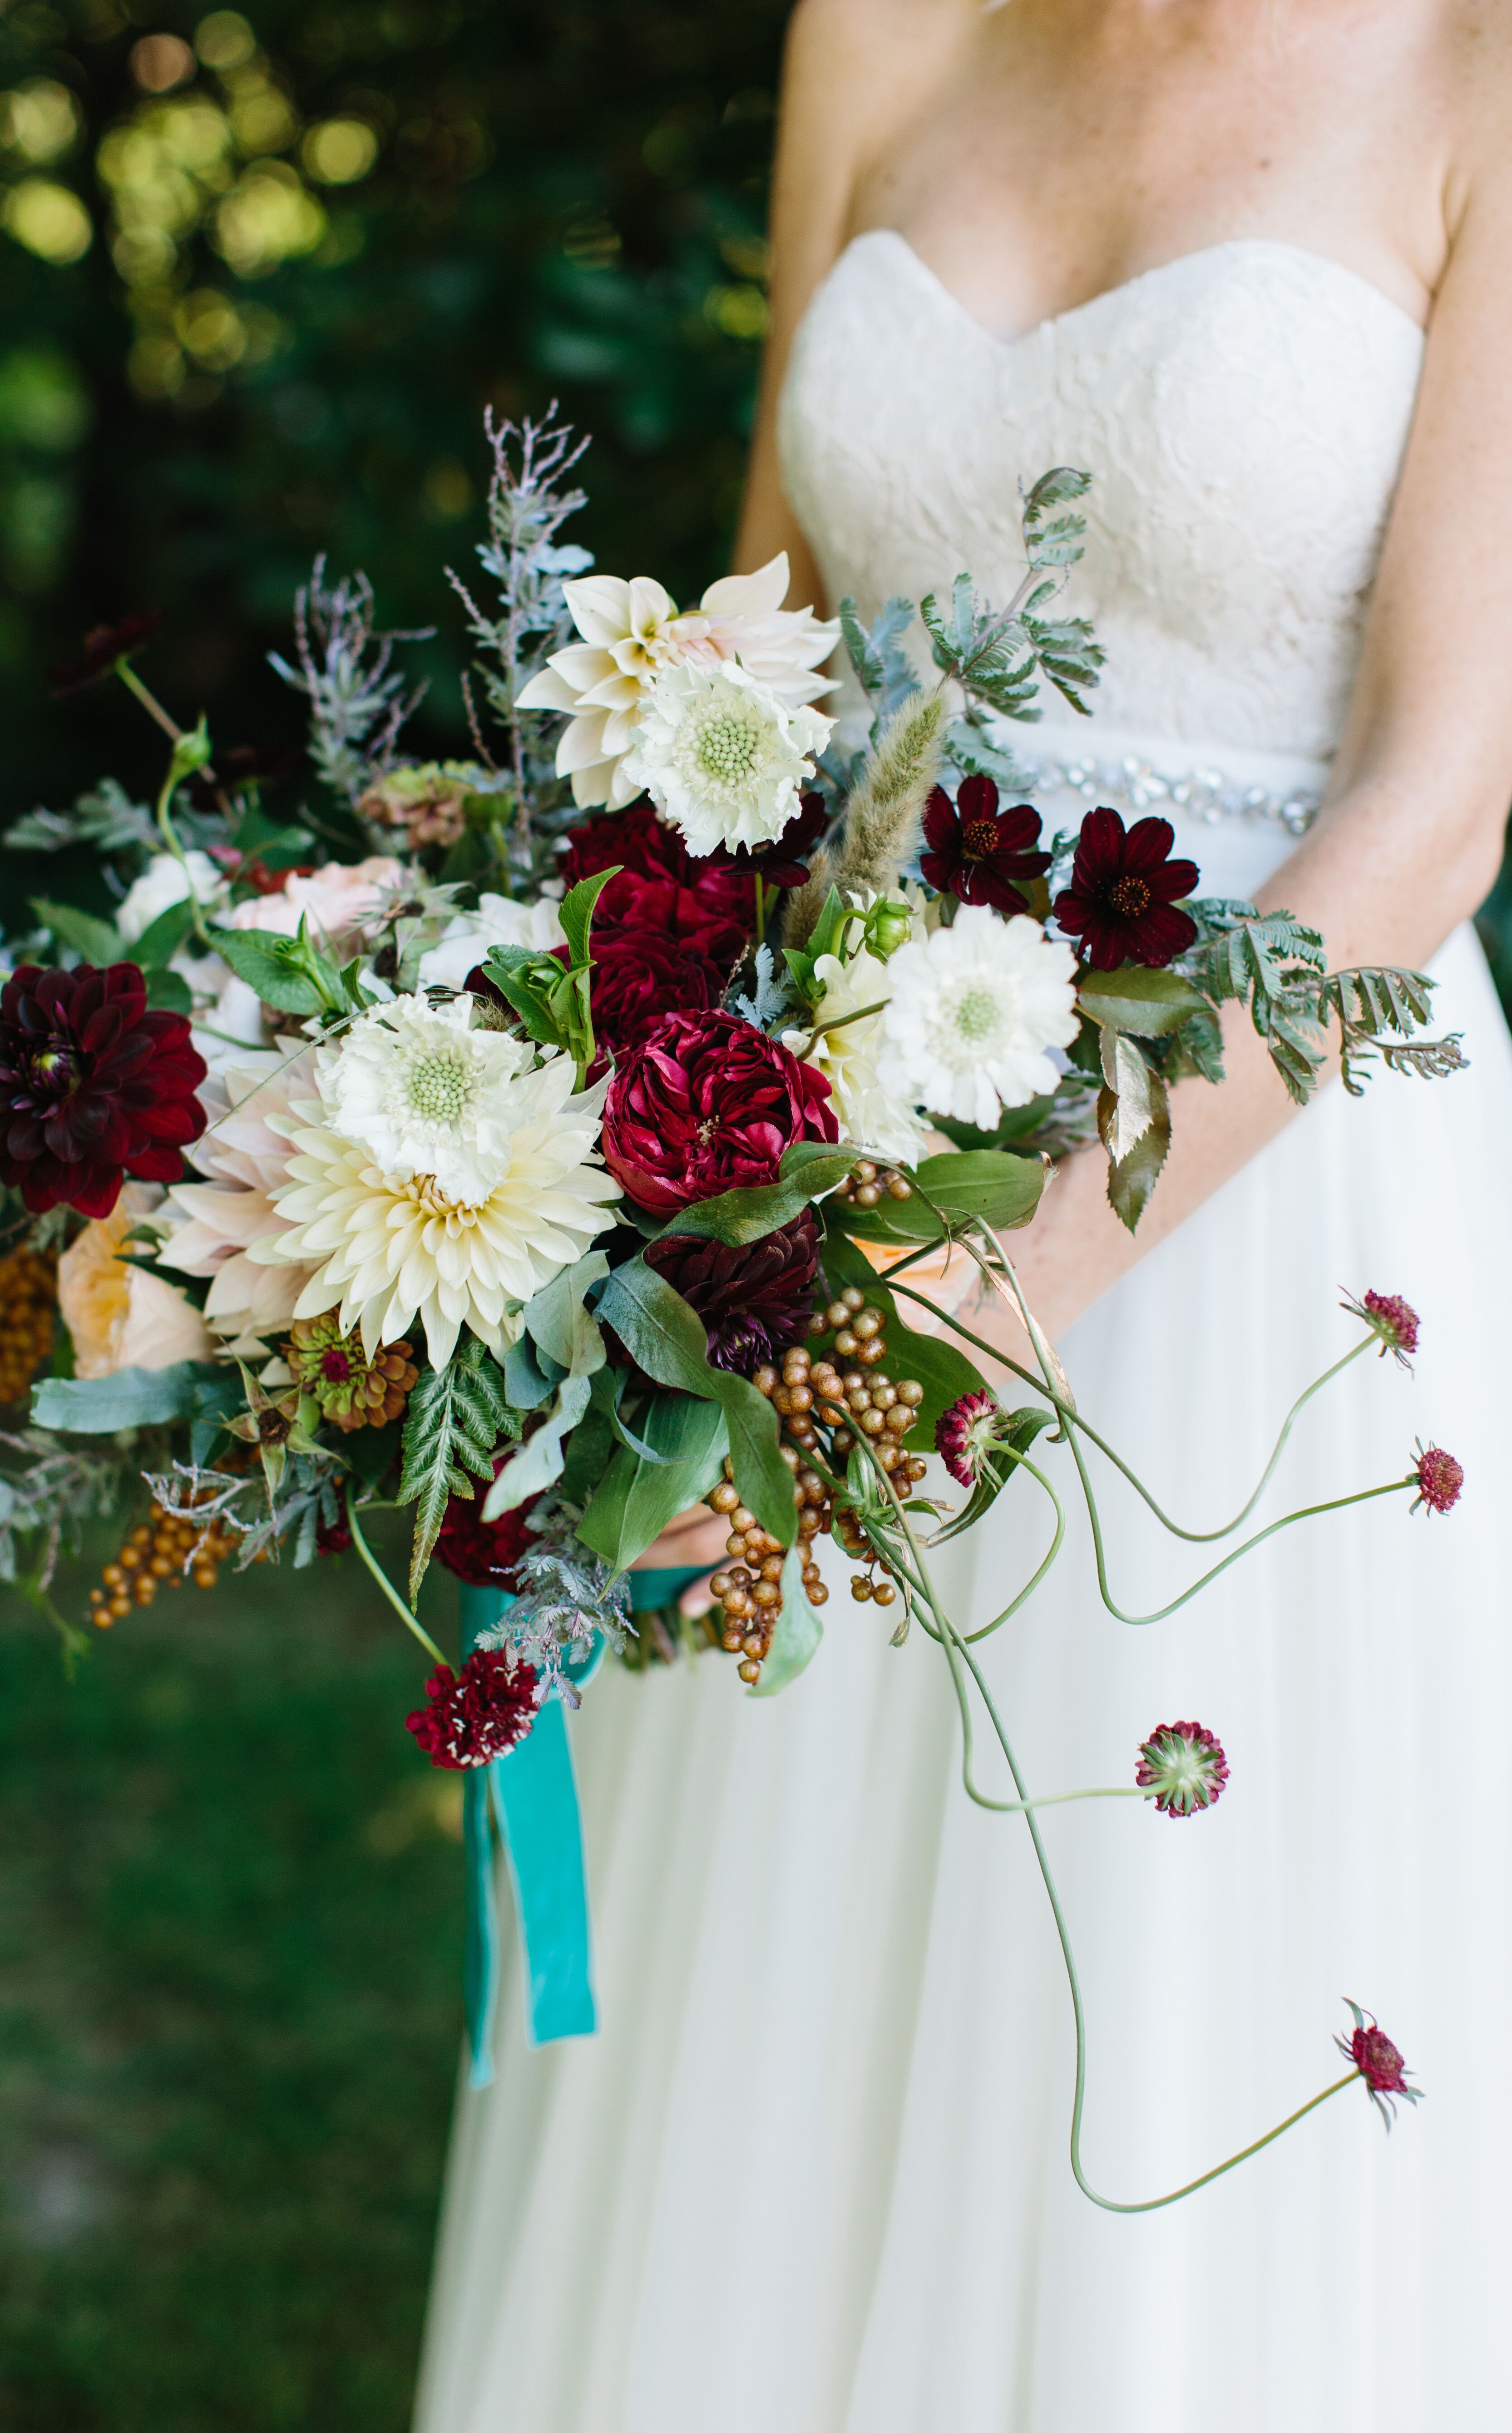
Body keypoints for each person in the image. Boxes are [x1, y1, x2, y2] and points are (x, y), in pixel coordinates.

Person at [416, 0, 1512, 2422]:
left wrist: (1011, 1281)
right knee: (783, 1979)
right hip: (820, 1137)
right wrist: (550, 1086)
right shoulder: (881, 29)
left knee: (1147, 1988)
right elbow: (754, 654)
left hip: (1253, 1201)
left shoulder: (1476, 77)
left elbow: (1439, 800)